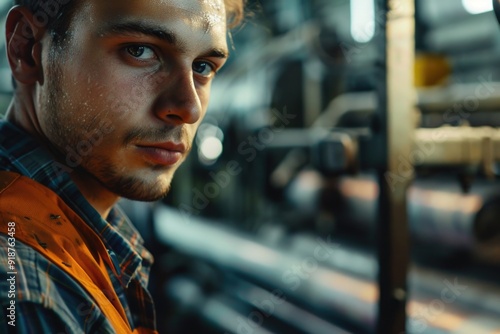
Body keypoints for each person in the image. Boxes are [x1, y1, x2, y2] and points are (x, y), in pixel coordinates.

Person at [0, 0, 245, 332]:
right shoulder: (25, 290)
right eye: (140, 51)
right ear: (27, 48)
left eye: (203, 67)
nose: (189, 108)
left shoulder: (89, 231)